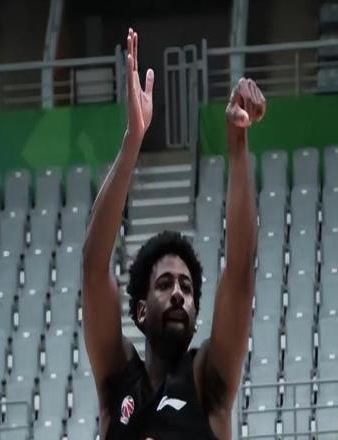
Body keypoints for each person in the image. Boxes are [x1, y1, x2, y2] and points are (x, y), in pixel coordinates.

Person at [83, 28, 266, 440]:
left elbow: (240, 271)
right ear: (140, 311)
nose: (179, 294)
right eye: (165, 284)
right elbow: (94, 266)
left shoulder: (207, 382)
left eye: (186, 287)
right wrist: (133, 142)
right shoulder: (117, 383)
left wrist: (237, 143)